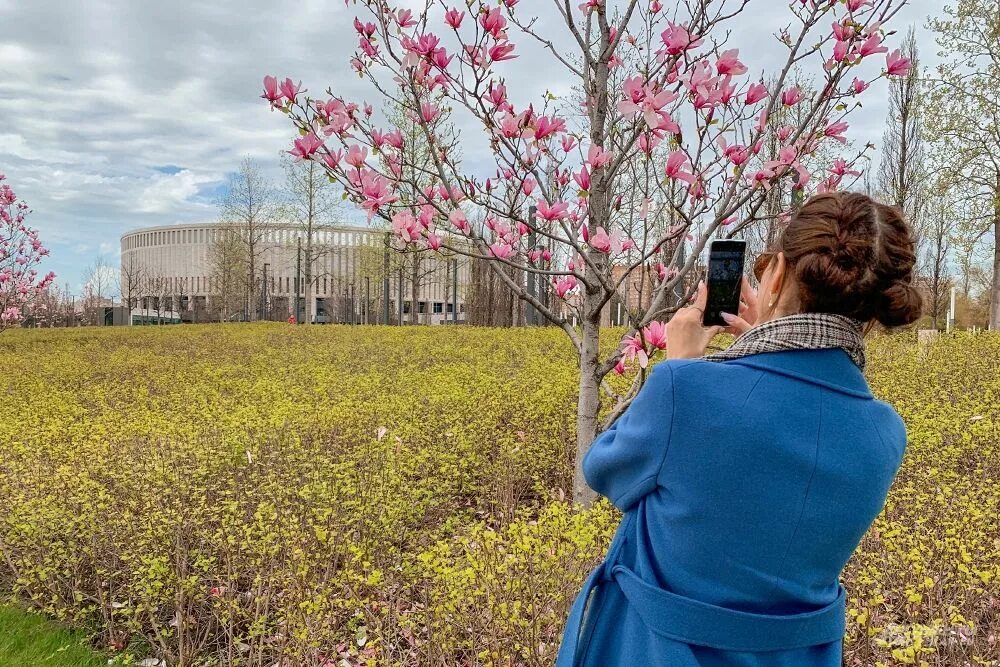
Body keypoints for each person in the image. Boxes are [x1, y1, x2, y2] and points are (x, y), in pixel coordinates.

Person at [557, 192, 923, 667]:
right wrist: (759, 346)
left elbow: (604, 472)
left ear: (774, 274)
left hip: (658, 652)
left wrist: (681, 363)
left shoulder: (685, 391)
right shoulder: (886, 433)